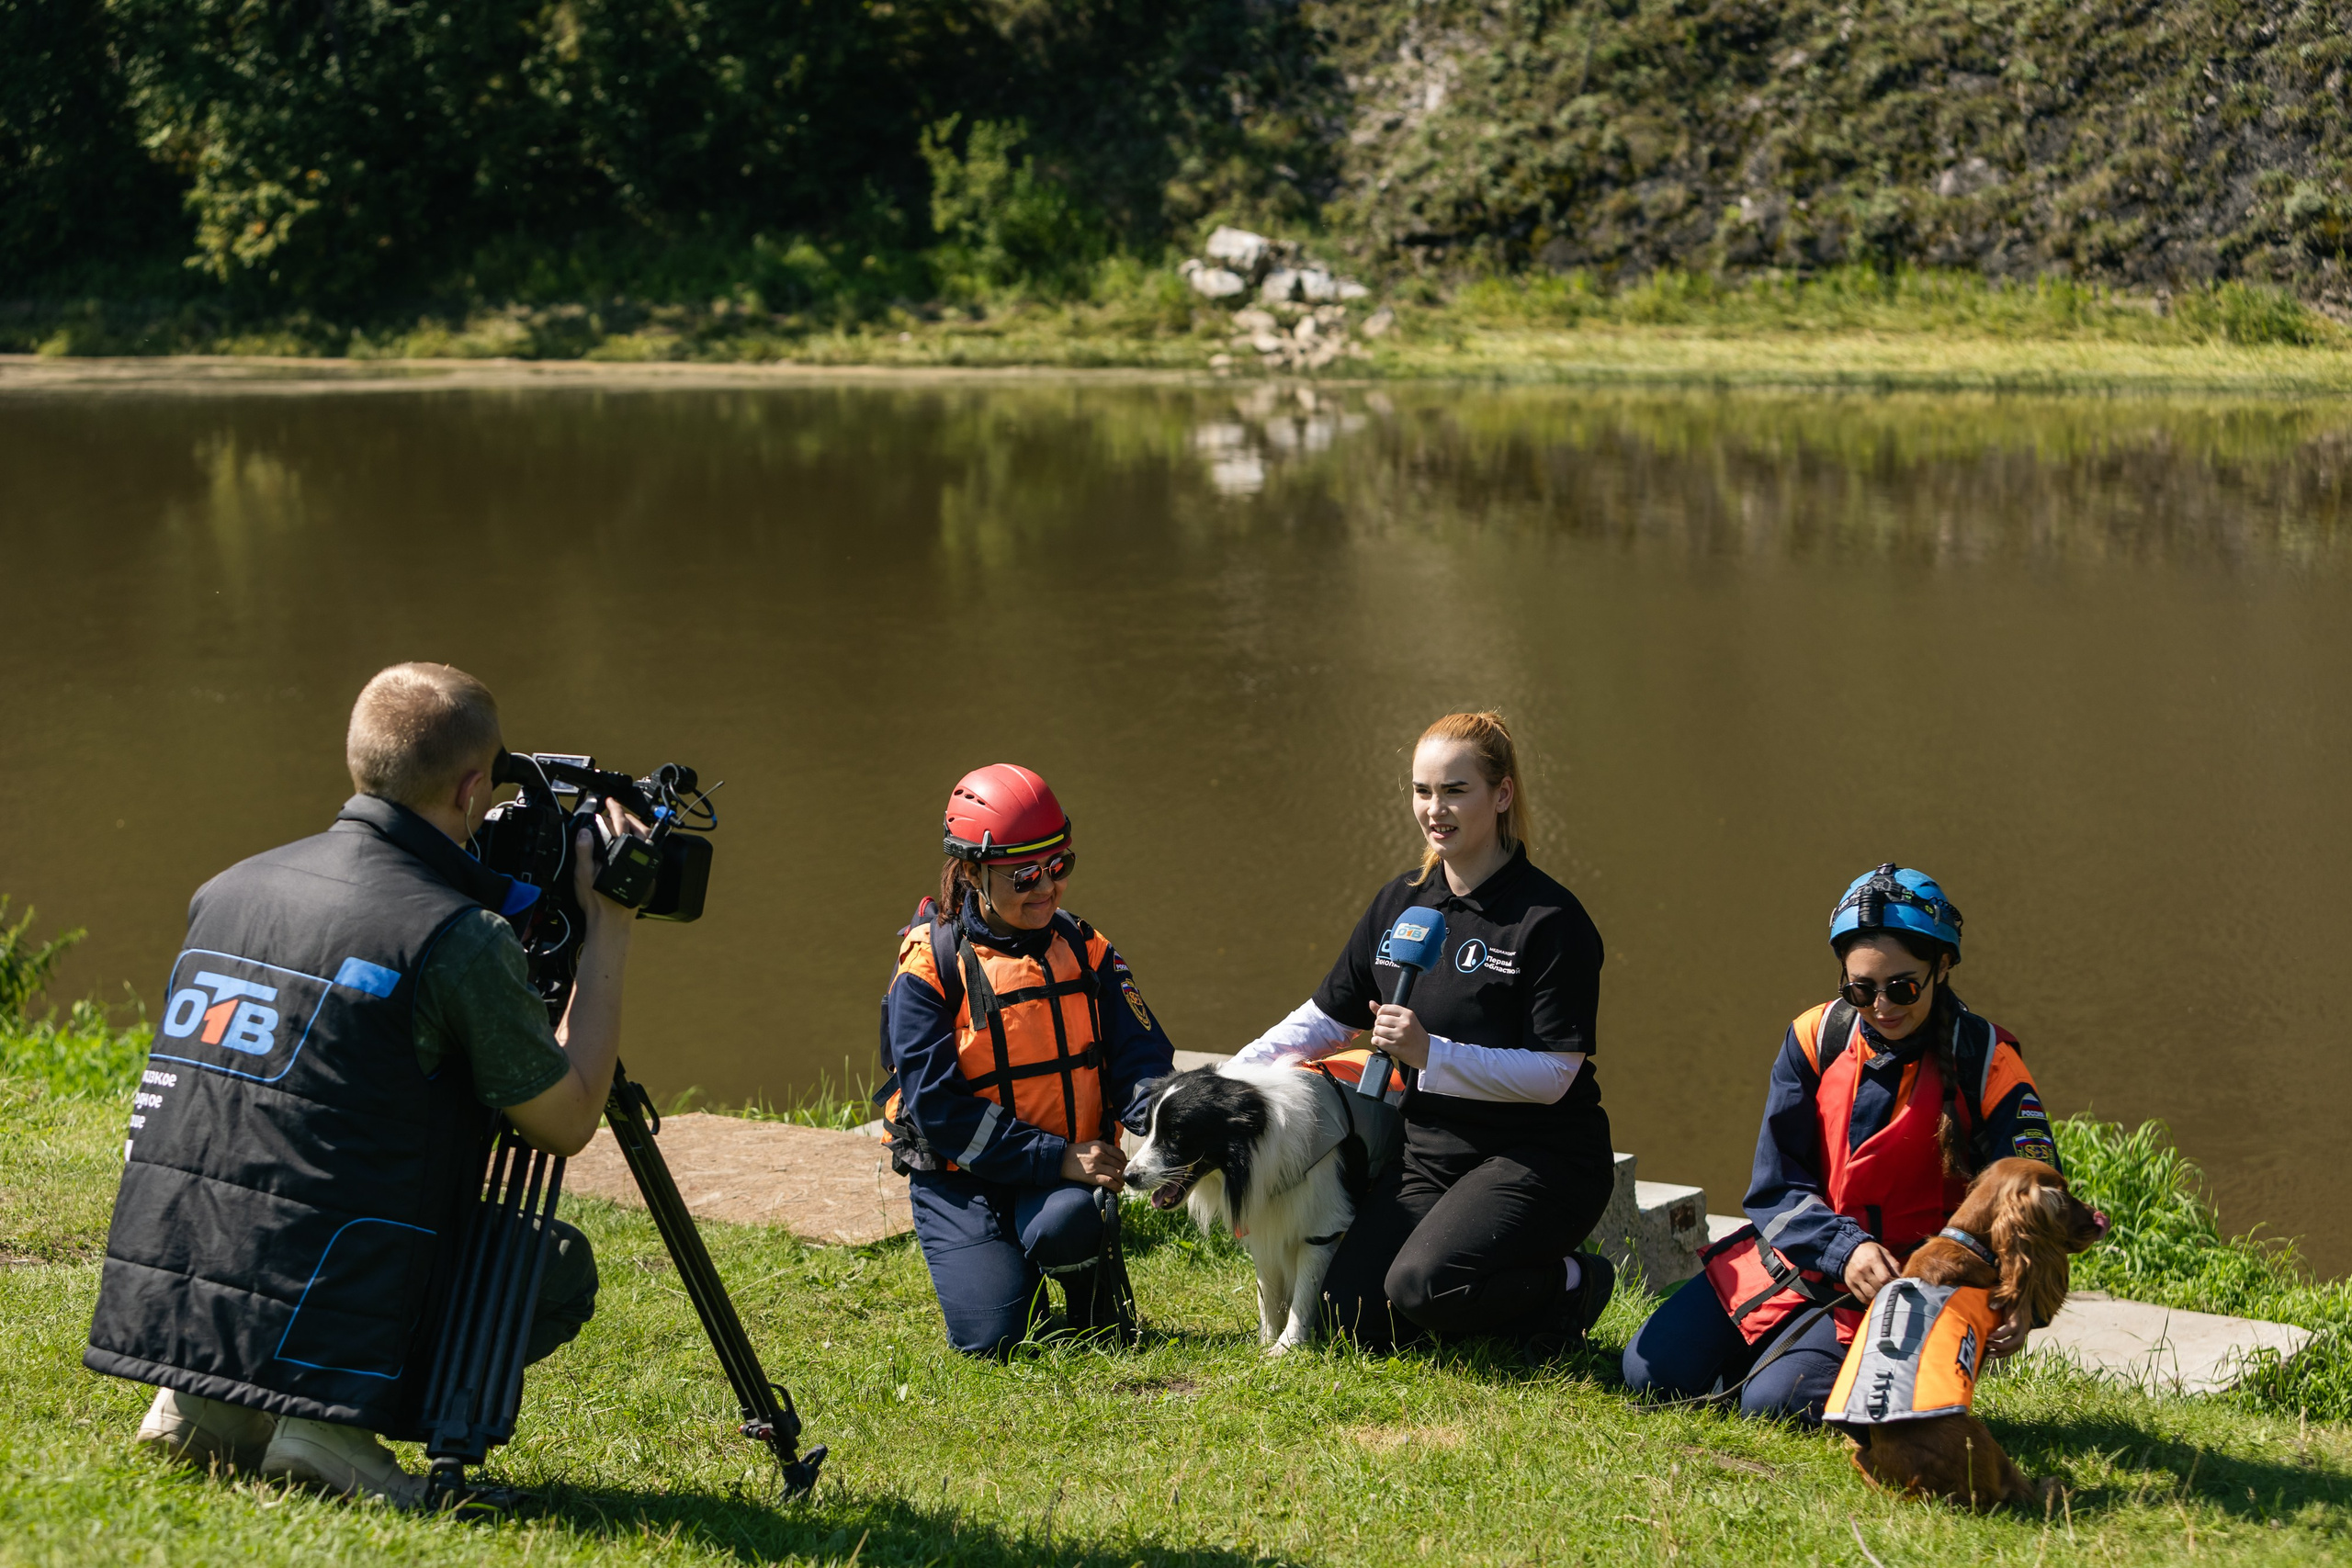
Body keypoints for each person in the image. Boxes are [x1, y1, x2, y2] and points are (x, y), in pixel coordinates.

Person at [85, 663, 643, 1505]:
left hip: (170, 1280)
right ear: (467, 791)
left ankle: (206, 1404)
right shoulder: (453, 933)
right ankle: (328, 1429)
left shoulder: (229, 888)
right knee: (551, 1264)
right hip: (336, 1292)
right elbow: (565, 1123)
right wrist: (609, 927)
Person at [1230, 712, 1617, 1356]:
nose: (1434, 810)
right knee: (1346, 1315)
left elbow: (1556, 1076)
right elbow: (1330, 1016)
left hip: (1540, 1155)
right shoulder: (1400, 904)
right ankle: (1480, 1275)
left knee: (1423, 1285)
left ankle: (1574, 1282)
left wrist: (1430, 1054)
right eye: (1421, 790)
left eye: (1455, 790)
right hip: (1432, 1152)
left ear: (1502, 794)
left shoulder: (1549, 920)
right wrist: (1231, 1074)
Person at [1621, 863, 2064, 1421]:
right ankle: (1763, 1361)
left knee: (1774, 1406)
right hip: (1805, 1255)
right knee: (1648, 1373)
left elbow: (2035, 1193)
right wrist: (1844, 1249)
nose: (1882, 1005)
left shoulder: (1989, 1062)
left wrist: (2025, 1293)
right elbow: (1776, 1185)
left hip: (1914, 1286)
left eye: (1902, 987)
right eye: (1861, 988)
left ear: (1942, 966)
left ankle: (1780, 1373)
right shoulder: (1815, 1037)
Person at [877, 764, 1176, 1358]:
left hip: (1063, 1183)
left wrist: (1168, 1124)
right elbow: (938, 1109)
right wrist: (1055, 1155)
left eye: (1059, 866)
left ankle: (1086, 1287)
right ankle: (1011, 1279)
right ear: (971, 871)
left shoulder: (1087, 950)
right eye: (1025, 875)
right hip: (960, 1181)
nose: (1046, 888)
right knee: (995, 1340)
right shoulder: (928, 969)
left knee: (1066, 1228)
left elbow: (1142, 1058)